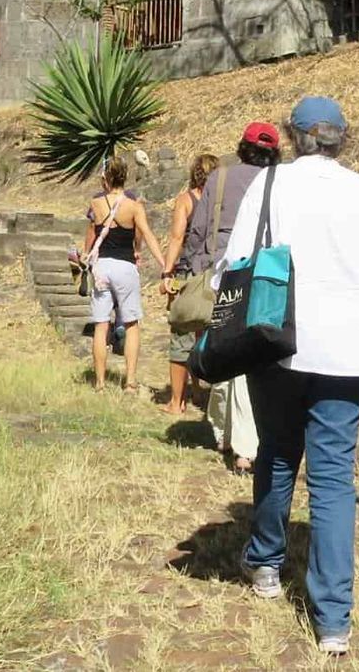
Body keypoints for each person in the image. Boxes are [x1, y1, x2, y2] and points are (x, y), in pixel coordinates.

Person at [217, 96, 359, 657]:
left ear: (293, 136)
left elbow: (235, 267)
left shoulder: (269, 188)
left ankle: (268, 562)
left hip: (282, 344)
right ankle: (333, 621)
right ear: (341, 138)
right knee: (333, 478)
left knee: (276, 449)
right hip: (352, 353)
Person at [174, 121, 280, 472]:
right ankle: (247, 444)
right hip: (267, 277)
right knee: (256, 359)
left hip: (224, 277)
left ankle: (224, 433)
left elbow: (198, 232)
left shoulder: (218, 179)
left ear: (242, 147)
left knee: (226, 353)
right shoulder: (280, 182)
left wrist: (190, 270)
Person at [84, 156, 166, 393]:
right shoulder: (133, 205)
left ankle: (99, 383)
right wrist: (163, 263)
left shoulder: (96, 203)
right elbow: (146, 234)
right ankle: (129, 381)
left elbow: (91, 233)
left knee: (101, 325)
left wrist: (85, 255)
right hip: (125, 267)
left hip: (102, 266)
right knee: (131, 324)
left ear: (105, 178)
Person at [160, 152, 219, 415]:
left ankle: (177, 401)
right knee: (208, 332)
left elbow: (176, 238)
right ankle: (202, 391)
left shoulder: (187, 200)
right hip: (216, 274)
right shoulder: (224, 203)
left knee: (182, 332)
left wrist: (166, 273)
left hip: (188, 274)